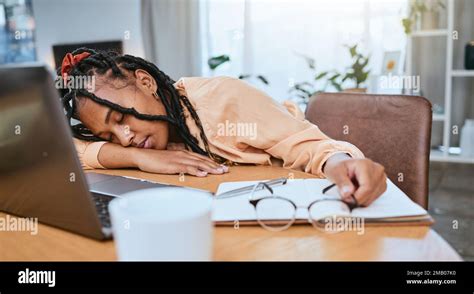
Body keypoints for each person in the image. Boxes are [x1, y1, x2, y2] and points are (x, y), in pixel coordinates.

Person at [58, 48, 387, 206]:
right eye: (107, 136)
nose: (124, 138)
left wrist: (343, 164)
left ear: (145, 82)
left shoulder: (221, 99)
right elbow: (65, 150)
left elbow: (306, 146)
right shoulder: (141, 146)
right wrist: (140, 159)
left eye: (120, 118)